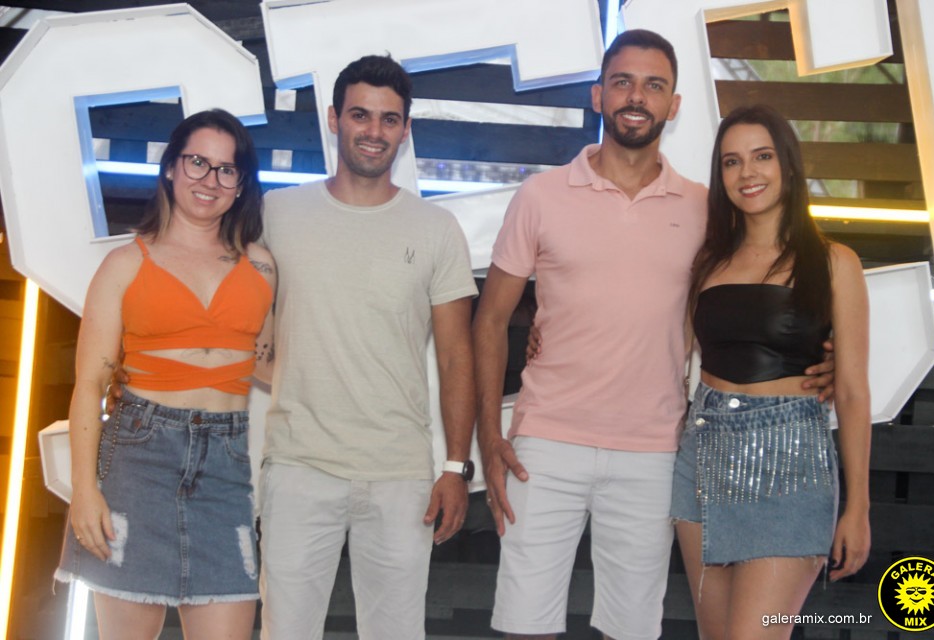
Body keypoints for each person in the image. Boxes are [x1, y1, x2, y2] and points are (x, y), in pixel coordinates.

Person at [473, 30, 834, 640]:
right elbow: (488, 319)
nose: (636, 96)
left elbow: (754, 297)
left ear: (674, 104)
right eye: (623, 82)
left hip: (654, 450)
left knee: (632, 629)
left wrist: (823, 353)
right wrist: (488, 437)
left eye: (653, 85)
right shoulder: (539, 196)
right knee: (524, 627)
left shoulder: (706, 209)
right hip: (546, 444)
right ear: (598, 96)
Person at [256, 55, 478, 639]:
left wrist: (456, 467)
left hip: (400, 474)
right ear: (334, 119)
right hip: (298, 467)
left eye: (388, 119)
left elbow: (457, 356)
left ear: (405, 130)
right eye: (360, 115)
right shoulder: (277, 214)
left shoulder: (436, 229)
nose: (373, 131)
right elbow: (236, 312)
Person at [55, 109, 276, 640]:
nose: (210, 180)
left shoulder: (261, 265)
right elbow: (89, 385)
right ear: (171, 167)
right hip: (138, 461)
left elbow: (275, 366)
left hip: (226, 468)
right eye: (198, 162)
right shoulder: (125, 264)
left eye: (227, 169)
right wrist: (84, 490)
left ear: (240, 184)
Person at [670, 104, 871, 639]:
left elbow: (852, 392)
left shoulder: (835, 262)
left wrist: (858, 508)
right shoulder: (708, 262)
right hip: (702, 458)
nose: (747, 173)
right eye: (731, 161)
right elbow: (672, 352)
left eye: (761, 156)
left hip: (792, 466)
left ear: (787, 164)